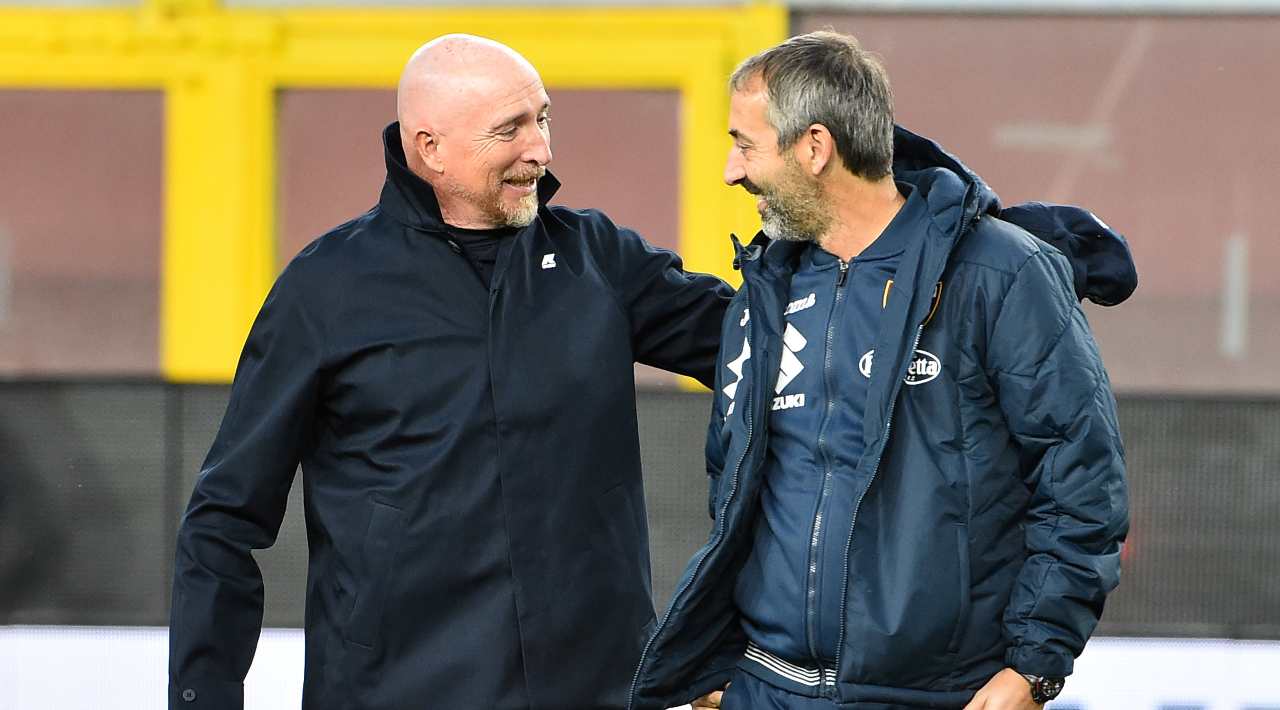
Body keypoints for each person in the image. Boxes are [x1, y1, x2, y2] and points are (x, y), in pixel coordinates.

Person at [167, 34, 733, 710]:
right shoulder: (325, 290)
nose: (541, 150)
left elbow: (769, 352)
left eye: (543, 119)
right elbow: (224, 521)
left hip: (596, 691)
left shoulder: (600, 261)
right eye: (510, 129)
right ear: (430, 147)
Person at [631, 31, 1132, 710]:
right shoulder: (767, 287)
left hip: (936, 695)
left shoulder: (999, 273)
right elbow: (736, 483)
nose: (730, 170)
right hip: (763, 689)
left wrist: (1034, 665)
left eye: (745, 144)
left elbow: (1080, 481)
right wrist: (723, 659)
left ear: (814, 147)